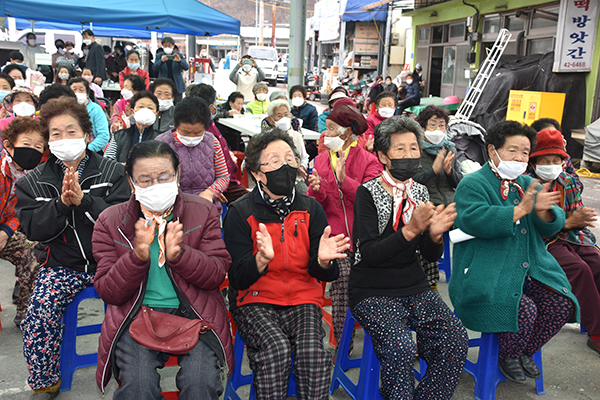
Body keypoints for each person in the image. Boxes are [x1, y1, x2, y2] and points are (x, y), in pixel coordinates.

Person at [92, 140, 232, 399]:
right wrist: (136, 258)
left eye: (164, 176)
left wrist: (180, 255)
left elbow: (216, 273)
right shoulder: (111, 221)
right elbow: (109, 291)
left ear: (177, 176)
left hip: (195, 314)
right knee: (138, 386)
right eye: (144, 179)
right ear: (131, 182)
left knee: (201, 383)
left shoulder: (202, 211)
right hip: (136, 315)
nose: (155, 185)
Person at [16, 97, 130, 399]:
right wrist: (61, 205)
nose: (64, 139)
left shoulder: (112, 172)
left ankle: (131, 370)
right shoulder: (33, 182)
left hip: (110, 263)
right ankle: (45, 381)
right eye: (56, 133)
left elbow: (122, 224)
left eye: (71, 131)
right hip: (62, 265)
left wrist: (85, 201)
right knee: (39, 312)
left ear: (87, 135)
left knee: (139, 304)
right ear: (47, 140)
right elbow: (33, 229)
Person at [224, 128, 349, 399]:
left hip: (303, 298)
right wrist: (260, 261)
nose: (286, 165)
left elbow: (326, 274)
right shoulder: (240, 212)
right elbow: (236, 279)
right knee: (275, 349)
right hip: (255, 300)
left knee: (313, 353)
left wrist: (323, 261)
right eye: (275, 160)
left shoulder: (311, 209)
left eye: (290, 159)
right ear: (257, 173)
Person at [449, 120, 579, 383]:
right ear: (492, 151)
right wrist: (518, 210)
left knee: (561, 302)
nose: (520, 158)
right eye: (513, 151)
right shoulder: (473, 184)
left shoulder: (526, 182)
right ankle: (507, 354)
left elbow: (549, 226)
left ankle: (523, 350)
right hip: (486, 273)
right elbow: (473, 219)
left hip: (528, 269)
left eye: (524, 152)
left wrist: (543, 211)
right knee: (525, 309)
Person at [350, 117, 468, 399]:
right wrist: (411, 229)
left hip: (414, 285)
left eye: (413, 148)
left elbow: (428, 255)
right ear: (383, 156)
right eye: (399, 149)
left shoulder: (420, 191)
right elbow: (368, 254)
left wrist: (435, 236)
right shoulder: (367, 193)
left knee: (455, 339)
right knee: (401, 347)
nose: (408, 155)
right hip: (372, 289)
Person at [307, 103, 380, 352]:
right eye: (326, 129)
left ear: (347, 133)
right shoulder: (320, 160)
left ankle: (378, 334)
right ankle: (343, 342)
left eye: (331, 129)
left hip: (365, 238)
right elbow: (314, 205)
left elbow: (371, 199)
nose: (326, 135)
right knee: (342, 279)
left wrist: (344, 181)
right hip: (335, 238)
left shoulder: (369, 161)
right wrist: (316, 191)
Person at [526, 128, 600, 355]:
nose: (551, 164)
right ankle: (596, 333)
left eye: (555, 160)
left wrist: (580, 220)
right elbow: (531, 228)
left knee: (597, 262)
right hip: (544, 242)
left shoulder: (570, 182)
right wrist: (568, 221)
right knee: (579, 269)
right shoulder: (527, 186)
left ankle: (593, 320)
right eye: (545, 160)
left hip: (573, 238)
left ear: (563, 161)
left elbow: (577, 217)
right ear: (535, 162)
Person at [0, 117, 44, 328]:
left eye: (38, 146)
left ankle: (26, 313)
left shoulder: (30, 176)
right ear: (8, 144)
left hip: (4, 233)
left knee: (32, 253)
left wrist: (6, 231)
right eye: (26, 144)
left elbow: (18, 211)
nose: (32, 150)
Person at [156, 96, 230, 210]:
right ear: (175, 125)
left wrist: (210, 193)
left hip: (205, 206)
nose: (191, 137)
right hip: (170, 206)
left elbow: (223, 177)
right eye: (185, 132)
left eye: (198, 132)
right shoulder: (162, 143)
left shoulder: (212, 142)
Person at [188, 84, 247, 203]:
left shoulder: (210, 123)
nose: (216, 106)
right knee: (253, 204)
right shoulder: (201, 131)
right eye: (215, 102)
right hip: (223, 183)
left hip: (228, 178)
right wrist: (213, 189)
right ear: (210, 107)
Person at [262, 99, 309, 193]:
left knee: (308, 200)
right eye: (279, 116)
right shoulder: (267, 139)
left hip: (296, 180)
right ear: (271, 120)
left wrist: (302, 167)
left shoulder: (297, 136)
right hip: (275, 181)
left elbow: (305, 157)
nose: (284, 118)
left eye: (286, 114)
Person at [105, 91, 160, 163]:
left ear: (156, 114)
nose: (145, 110)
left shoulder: (162, 137)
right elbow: (107, 160)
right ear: (133, 112)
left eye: (150, 108)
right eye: (141, 107)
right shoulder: (119, 135)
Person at [530, 117, 583, 193]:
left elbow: (579, 187)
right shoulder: (526, 179)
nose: (552, 138)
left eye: (555, 135)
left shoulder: (564, 158)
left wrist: (561, 174)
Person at [68, 77, 109, 153]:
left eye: (81, 90)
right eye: (74, 90)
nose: (77, 93)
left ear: (87, 94)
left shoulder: (96, 110)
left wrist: (87, 150)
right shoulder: (66, 110)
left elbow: (103, 136)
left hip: (92, 151)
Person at [153, 37, 189, 103]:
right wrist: (161, 61)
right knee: (163, 103)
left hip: (176, 84)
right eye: (165, 45)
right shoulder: (159, 56)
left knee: (177, 104)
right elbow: (154, 68)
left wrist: (180, 61)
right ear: (162, 46)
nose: (167, 47)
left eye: (169, 45)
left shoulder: (178, 55)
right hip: (164, 84)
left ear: (173, 46)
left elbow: (186, 67)